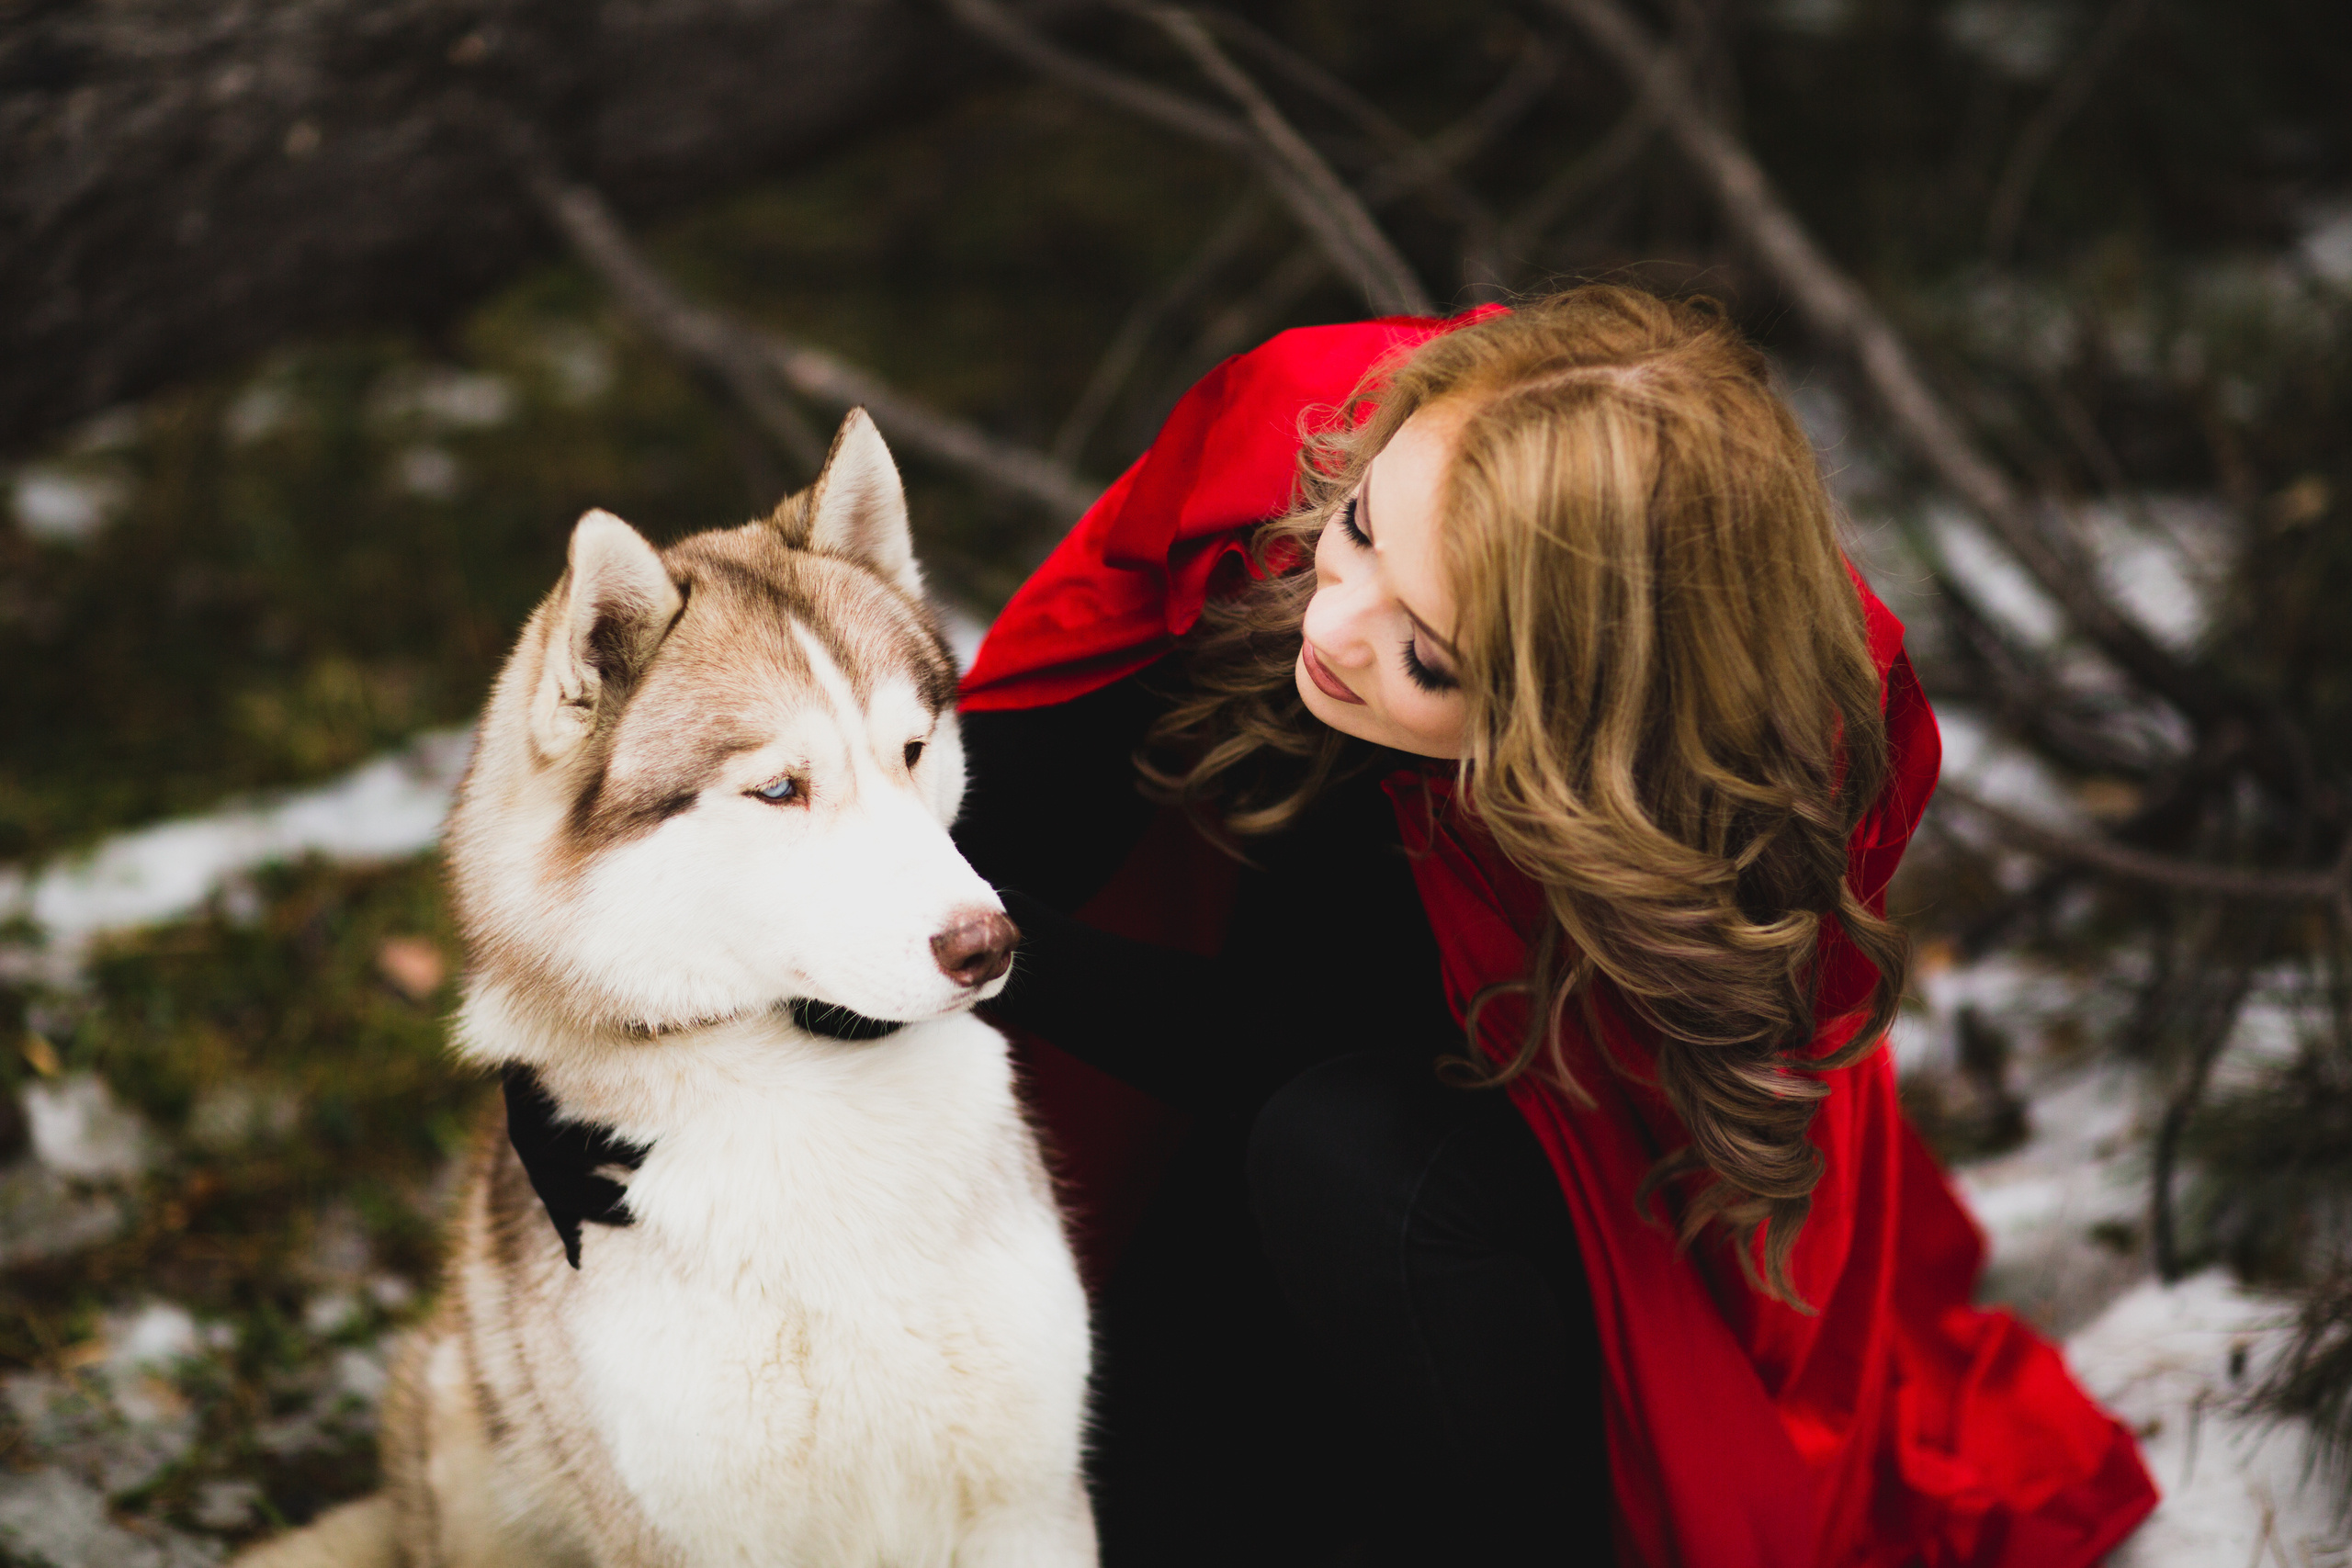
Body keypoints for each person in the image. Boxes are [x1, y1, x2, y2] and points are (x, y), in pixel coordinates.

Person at [512, 287, 2157, 1565]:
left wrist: (991, 963)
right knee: (1137, 1503)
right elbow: (962, 848)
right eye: (1365, 530)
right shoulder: (1281, 509)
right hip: (1247, 1158)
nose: (1334, 623)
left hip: (1484, 1219)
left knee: (1342, 1154)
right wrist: (618, 1057)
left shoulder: (1707, 824)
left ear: (1579, 716)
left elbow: (1353, 1070)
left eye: (1431, 656)